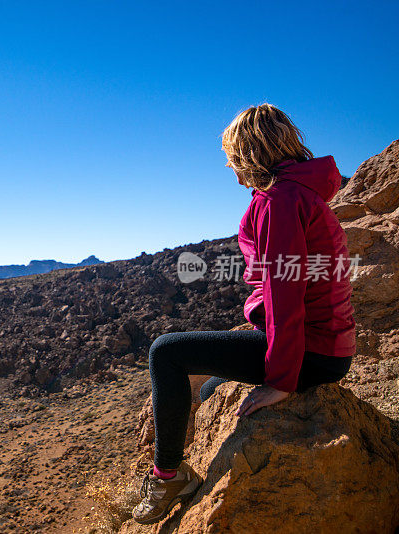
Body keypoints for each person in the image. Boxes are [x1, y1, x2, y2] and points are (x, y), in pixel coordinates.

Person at [132, 103, 357, 525]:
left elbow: (284, 296)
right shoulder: (299, 193)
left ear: (250, 154)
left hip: (313, 351)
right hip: (327, 345)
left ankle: (168, 478)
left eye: (231, 156)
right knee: (211, 391)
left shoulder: (279, 202)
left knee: (166, 352)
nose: (230, 168)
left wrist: (281, 382)